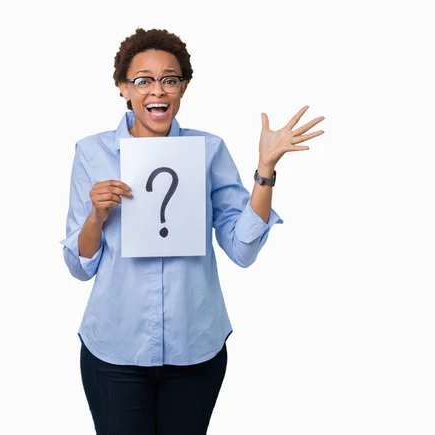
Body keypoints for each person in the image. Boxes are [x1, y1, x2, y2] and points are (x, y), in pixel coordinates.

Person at [60, 28, 325, 435]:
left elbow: (242, 249)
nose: (157, 91)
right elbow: (80, 267)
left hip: (194, 348)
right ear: (123, 88)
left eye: (170, 79)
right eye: (143, 80)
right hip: (114, 348)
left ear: (183, 86)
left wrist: (266, 170)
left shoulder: (209, 149)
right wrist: (96, 216)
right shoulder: (91, 152)